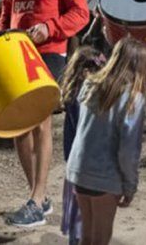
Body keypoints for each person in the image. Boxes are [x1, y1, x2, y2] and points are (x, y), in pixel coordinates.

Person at [0, 0, 89, 227]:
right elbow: (7, 14)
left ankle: (36, 201)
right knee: (18, 128)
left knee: (41, 123)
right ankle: (38, 196)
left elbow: (81, 14)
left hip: (50, 54)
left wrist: (49, 28)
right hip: (16, 54)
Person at [66, 37, 146, 245]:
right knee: (101, 239)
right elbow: (128, 150)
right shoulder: (132, 97)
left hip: (79, 171)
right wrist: (130, 185)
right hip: (105, 176)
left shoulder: (90, 84)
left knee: (86, 237)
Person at [59, 46, 106, 245]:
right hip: (88, 168)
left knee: (78, 220)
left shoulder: (72, 93)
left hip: (74, 166)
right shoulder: (85, 97)